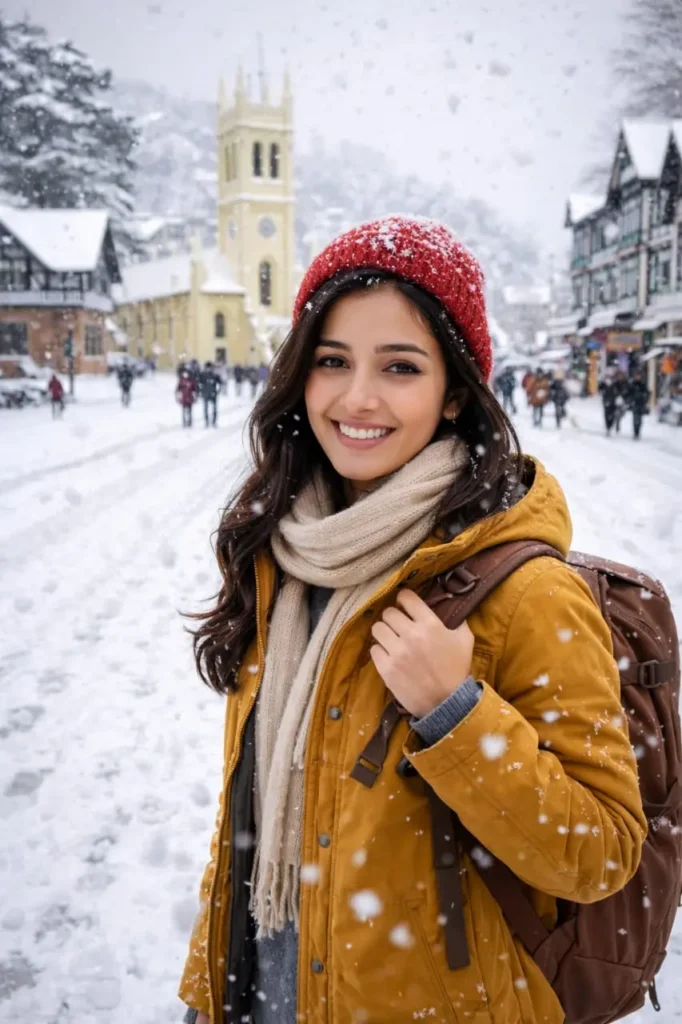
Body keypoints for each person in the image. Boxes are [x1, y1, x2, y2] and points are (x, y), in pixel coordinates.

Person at [179, 216, 644, 1024]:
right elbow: (248, 825)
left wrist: (455, 714)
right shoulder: (285, 557)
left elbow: (602, 852)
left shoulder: (523, 590)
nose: (357, 398)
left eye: (400, 366)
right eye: (332, 362)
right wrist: (208, 992)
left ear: (454, 390)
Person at [626, 370, 650, 440]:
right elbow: (629, 393)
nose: (638, 377)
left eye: (639, 376)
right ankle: (635, 433)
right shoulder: (632, 384)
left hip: (641, 404)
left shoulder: (643, 384)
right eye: (637, 376)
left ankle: (638, 432)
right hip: (635, 404)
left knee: (640, 420)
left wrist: (645, 398)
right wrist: (631, 400)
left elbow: (647, 393)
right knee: (635, 419)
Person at [599, 369, 620, 436]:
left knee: (613, 415)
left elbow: (619, 390)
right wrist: (602, 392)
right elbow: (600, 389)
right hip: (606, 401)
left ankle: (610, 426)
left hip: (613, 402)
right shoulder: (604, 382)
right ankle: (608, 427)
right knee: (606, 414)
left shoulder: (616, 383)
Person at [200, 361, 221, 428]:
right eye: (207, 367)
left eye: (210, 367)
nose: (209, 369)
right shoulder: (203, 375)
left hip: (213, 394)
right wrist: (201, 391)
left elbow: (220, 383)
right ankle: (206, 421)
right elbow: (199, 384)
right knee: (206, 409)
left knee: (214, 409)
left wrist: (217, 391)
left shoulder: (215, 375)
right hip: (205, 394)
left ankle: (214, 422)